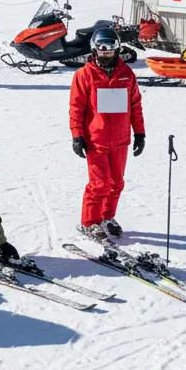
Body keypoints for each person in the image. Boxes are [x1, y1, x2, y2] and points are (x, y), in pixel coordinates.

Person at [69, 27, 146, 243]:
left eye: (110, 50)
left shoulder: (126, 75)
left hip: (120, 139)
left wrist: (139, 133)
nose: (106, 54)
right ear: (94, 50)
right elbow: (76, 107)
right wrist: (77, 135)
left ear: (117, 50)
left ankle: (107, 217)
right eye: (101, 50)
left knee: (117, 183)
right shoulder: (84, 75)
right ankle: (90, 221)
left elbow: (135, 105)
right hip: (96, 139)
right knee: (99, 184)